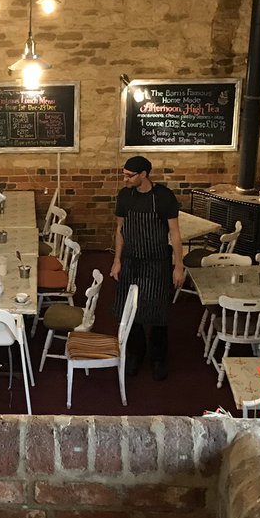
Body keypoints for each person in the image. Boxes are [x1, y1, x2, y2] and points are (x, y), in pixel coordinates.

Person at [110, 155, 183, 381]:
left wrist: (178, 266)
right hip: (131, 260)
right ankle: (135, 354)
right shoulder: (125, 196)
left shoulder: (164, 197)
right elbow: (120, 230)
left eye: (129, 176)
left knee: (158, 312)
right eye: (124, 175)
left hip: (157, 261)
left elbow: (175, 234)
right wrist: (117, 260)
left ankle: (158, 359)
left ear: (144, 175)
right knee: (130, 310)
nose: (125, 179)